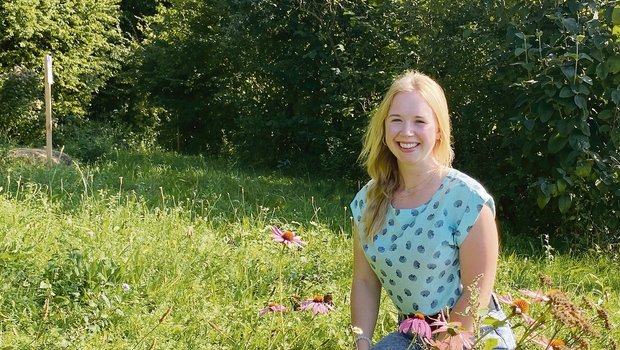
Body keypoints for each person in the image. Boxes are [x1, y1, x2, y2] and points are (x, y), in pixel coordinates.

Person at [349, 71, 516, 350]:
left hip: (472, 331)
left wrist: (444, 344)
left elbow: (477, 291)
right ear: (384, 128)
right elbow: (365, 281)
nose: (406, 132)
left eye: (419, 121)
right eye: (397, 121)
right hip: (412, 332)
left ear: (438, 130)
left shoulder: (467, 199)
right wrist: (362, 342)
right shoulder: (367, 200)